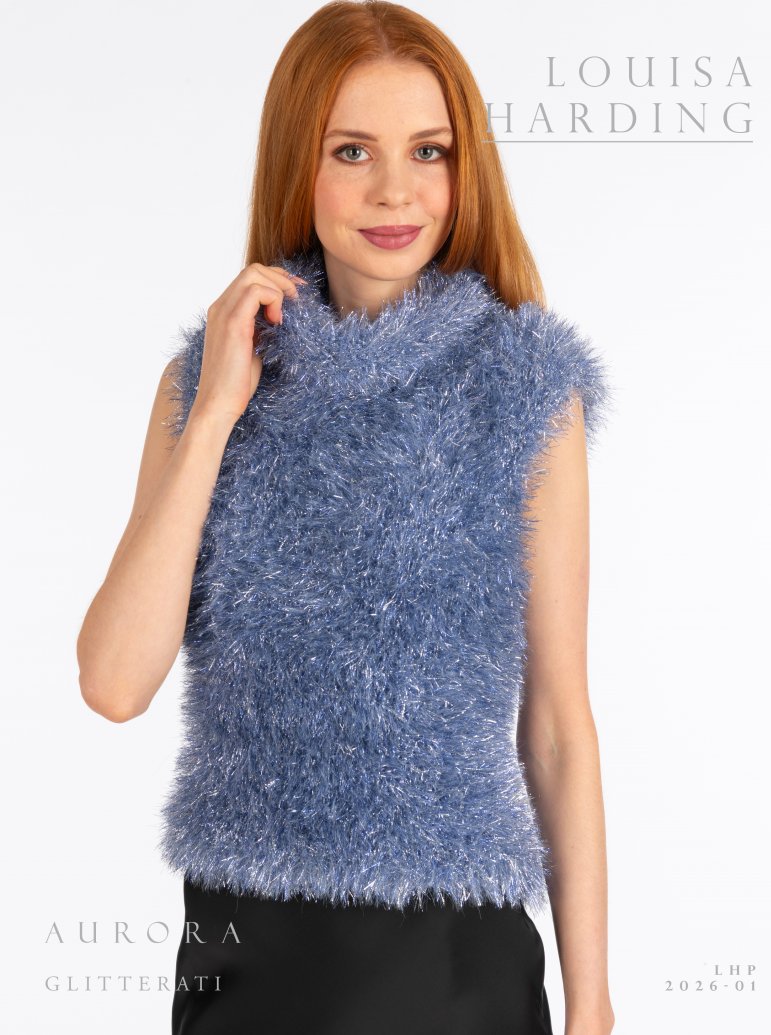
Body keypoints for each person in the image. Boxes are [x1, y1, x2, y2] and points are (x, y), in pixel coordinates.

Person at [76, 3, 615, 1033]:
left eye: (428, 151)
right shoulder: (202, 385)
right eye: (351, 151)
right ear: (298, 164)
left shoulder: (523, 389)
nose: (394, 190)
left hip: (454, 960)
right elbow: (112, 682)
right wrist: (217, 414)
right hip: (248, 951)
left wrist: (590, 1003)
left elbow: (556, 724)